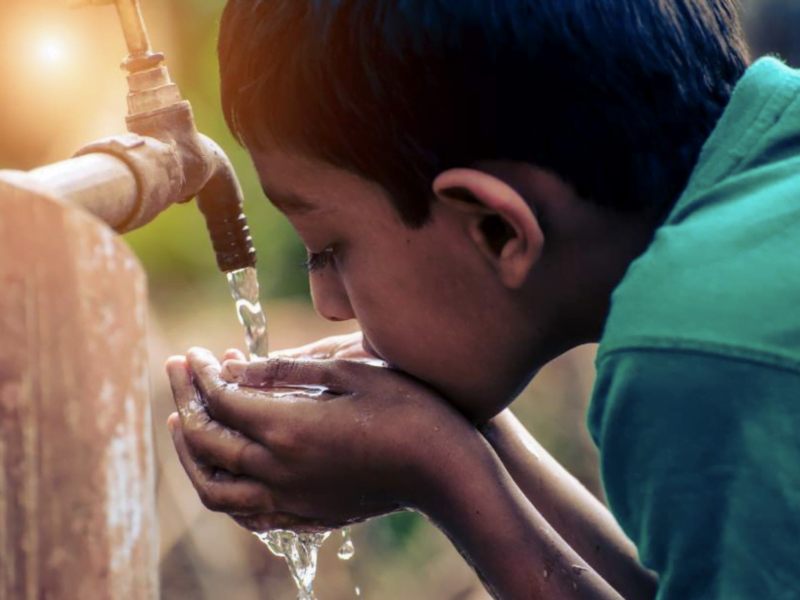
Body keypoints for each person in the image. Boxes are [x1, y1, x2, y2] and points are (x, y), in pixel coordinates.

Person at [165, 1, 800, 598]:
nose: (329, 304)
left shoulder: (704, 360)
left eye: (329, 248)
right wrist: (476, 446)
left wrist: (437, 472)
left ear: (497, 229)